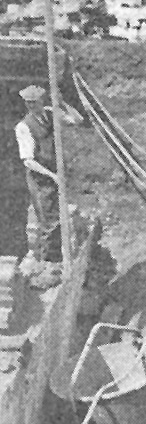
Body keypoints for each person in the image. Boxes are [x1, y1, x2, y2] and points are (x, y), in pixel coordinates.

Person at [15, 84, 83, 287]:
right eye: (28, 103)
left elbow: (77, 120)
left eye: (34, 102)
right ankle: (47, 266)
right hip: (40, 177)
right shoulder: (23, 126)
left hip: (54, 173)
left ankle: (54, 261)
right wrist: (51, 175)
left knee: (57, 215)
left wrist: (62, 103)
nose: (31, 106)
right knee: (48, 220)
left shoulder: (50, 114)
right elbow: (28, 160)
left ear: (43, 101)